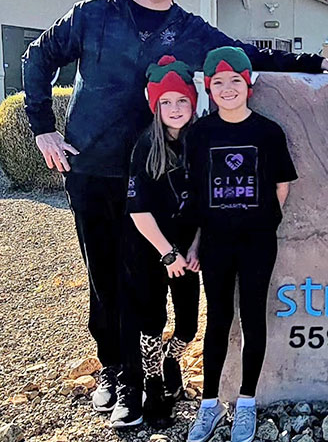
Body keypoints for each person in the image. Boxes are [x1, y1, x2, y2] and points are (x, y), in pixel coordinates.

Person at [21, 0, 328, 427]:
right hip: (92, 168)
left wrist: (317, 64)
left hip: (159, 175)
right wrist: (43, 128)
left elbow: (246, 56)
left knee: (150, 279)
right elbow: (37, 57)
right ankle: (115, 372)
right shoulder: (92, 15)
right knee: (103, 274)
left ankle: (156, 368)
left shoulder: (189, 29)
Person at [184, 47, 295, 442]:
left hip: (257, 242)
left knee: (252, 317)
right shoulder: (199, 134)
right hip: (214, 243)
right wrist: (195, 244)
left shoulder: (267, 132)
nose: (227, 89)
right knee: (217, 321)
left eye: (235, 81)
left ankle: (246, 403)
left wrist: (264, 221)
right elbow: (196, 196)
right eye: (218, 82)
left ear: (248, 84)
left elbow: (281, 186)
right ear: (209, 89)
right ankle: (209, 405)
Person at [125, 56, 202, 427]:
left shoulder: (200, 142)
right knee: (152, 322)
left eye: (182, 101)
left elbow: (208, 204)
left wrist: (196, 247)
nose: (174, 109)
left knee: (188, 325)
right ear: (155, 106)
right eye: (166, 102)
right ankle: (153, 387)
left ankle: (173, 358)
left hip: (188, 253)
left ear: (193, 102)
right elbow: (138, 211)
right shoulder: (145, 146)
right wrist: (167, 253)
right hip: (151, 250)